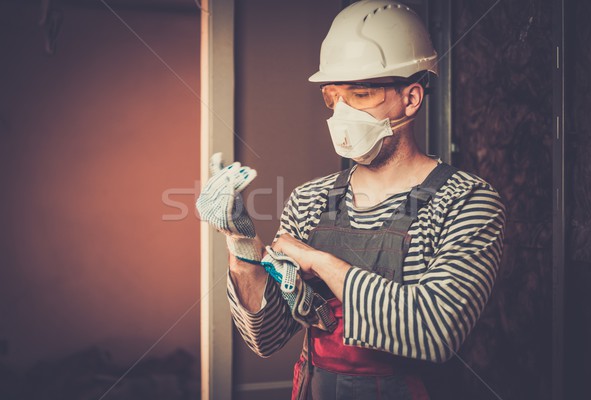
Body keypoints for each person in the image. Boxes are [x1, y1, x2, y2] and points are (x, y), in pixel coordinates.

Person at [196, 1, 506, 399]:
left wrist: (321, 262)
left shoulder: (465, 202)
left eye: (360, 94)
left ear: (411, 99)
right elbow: (267, 335)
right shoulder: (309, 200)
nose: (342, 114)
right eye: (332, 97)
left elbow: (434, 332)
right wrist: (239, 244)